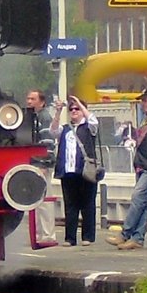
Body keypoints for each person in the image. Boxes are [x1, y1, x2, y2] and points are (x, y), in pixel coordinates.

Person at [108, 88, 147, 250]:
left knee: (138, 196)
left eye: (144, 100)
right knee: (143, 201)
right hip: (141, 163)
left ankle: (125, 233)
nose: (142, 104)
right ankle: (138, 238)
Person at [51, 94, 100, 245]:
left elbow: (93, 120)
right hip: (68, 172)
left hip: (85, 171)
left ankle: (88, 237)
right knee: (70, 206)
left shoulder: (89, 127)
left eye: (77, 109)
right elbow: (53, 131)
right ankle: (70, 238)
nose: (73, 111)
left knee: (88, 204)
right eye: (71, 109)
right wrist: (58, 111)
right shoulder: (65, 129)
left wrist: (79, 102)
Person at [26, 89, 58, 246]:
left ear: (42, 102)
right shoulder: (34, 117)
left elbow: (48, 141)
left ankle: (48, 234)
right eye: (28, 98)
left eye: (32, 99)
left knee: (44, 200)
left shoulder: (44, 117)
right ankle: (40, 233)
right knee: (37, 200)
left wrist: (44, 163)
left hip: (41, 164)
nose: (29, 101)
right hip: (35, 163)